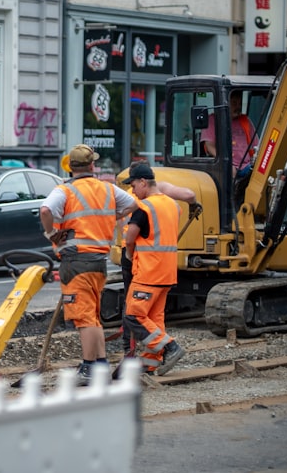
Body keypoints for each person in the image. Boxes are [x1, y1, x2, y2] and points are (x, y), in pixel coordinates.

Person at [39, 144, 136, 386]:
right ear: (92, 165)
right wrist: (109, 218)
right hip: (98, 261)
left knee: (84, 318)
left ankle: (89, 367)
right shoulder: (108, 189)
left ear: (70, 167)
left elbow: (45, 210)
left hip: (76, 261)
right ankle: (100, 364)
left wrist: (51, 233)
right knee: (92, 316)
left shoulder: (65, 191)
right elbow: (133, 205)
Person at [118, 161, 198, 360]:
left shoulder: (143, 207)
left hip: (148, 272)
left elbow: (130, 239)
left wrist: (129, 255)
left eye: (134, 185)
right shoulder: (173, 205)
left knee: (133, 315)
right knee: (155, 318)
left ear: (143, 182)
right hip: (167, 272)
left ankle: (170, 347)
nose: (134, 190)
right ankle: (150, 363)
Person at [201, 91, 256, 170]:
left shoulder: (245, 121)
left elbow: (256, 145)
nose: (238, 107)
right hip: (224, 168)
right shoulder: (213, 120)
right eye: (234, 103)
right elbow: (210, 146)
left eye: (240, 104)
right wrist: (226, 165)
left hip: (246, 166)